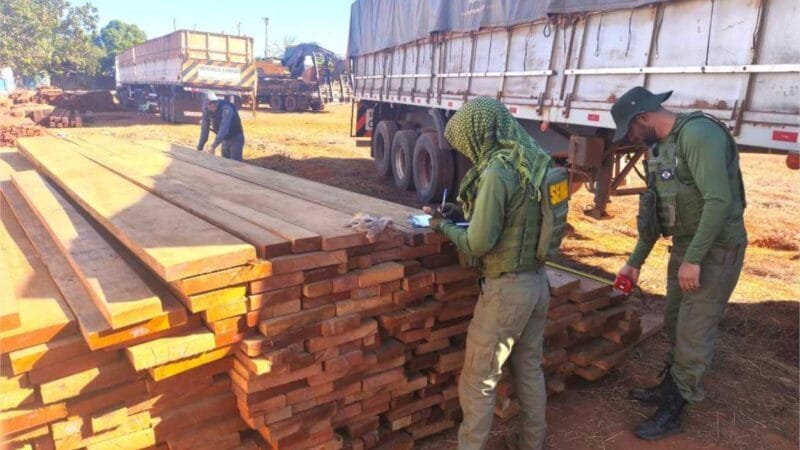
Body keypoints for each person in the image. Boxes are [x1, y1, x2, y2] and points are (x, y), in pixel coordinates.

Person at [425, 97, 564, 450]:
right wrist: (464, 212)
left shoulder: (498, 171)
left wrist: (443, 226)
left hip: (507, 292)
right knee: (529, 369)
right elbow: (517, 217)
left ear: (479, 132)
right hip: (537, 283)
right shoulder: (535, 159)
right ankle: (533, 443)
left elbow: (478, 243)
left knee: (479, 379)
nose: (467, 151)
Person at [611, 87, 747, 440]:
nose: (631, 138)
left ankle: (675, 408)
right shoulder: (660, 148)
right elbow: (655, 212)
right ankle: (670, 387)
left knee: (693, 331)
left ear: (643, 117)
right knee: (674, 320)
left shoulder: (699, 134)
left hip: (715, 249)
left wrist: (695, 259)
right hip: (687, 247)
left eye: (631, 129)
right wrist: (634, 262)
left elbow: (718, 200)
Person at [197, 92, 245, 161]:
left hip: (235, 138)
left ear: (216, 103)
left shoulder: (226, 108)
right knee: (224, 162)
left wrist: (213, 146)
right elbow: (204, 130)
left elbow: (224, 128)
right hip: (224, 140)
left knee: (235, 163)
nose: (210, 107)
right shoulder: (206, 110)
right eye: (207, 106)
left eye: (211, 104)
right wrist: (199, 148)